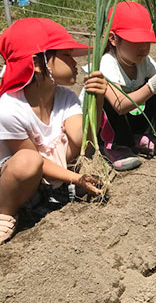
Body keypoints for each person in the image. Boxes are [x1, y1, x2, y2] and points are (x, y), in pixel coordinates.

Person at [0, 18, 107, 244]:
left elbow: (82, 140)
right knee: (28, 161)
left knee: (73, 143)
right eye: (67, 55)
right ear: (38, 63)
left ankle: (47, 197)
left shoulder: (65, 97)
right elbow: (35, 160)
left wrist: (96, 101)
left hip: (50, 174)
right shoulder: (9, 108)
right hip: (17, 179)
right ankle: (6, 211)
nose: (75, 63)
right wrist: (77, 179)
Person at [91, 1, 156, 172]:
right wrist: (151, 87)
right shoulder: (107, 63)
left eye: (146, 41)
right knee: (111, 98)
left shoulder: (143, 61)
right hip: (105, 123)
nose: (143, 47)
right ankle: (115, 146)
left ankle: (140, 135)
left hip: (131, 115)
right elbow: (119, 106)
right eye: (135, 41)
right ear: (113, 39)